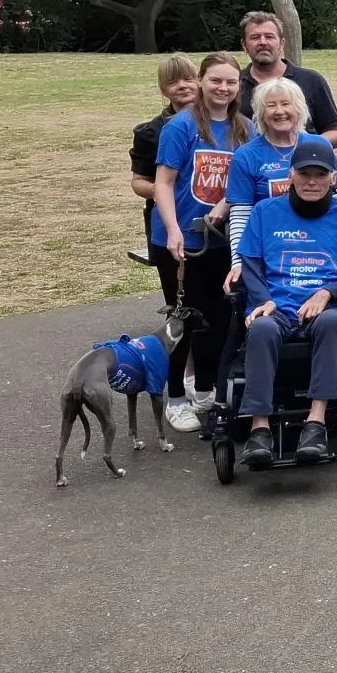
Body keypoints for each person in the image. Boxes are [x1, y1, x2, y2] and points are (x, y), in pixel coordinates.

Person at [236, 136, 337, 468]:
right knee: (261, 329)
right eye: (304, 174)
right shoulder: (265, 211)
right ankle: (260, 428)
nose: (312, 182)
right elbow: (250, 265)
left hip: (330, 307)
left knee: (330, 324)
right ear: (291, 176)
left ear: (333, 178)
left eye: (320, 175)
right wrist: (264, 300)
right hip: (277, 304)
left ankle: (316, 422)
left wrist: (328, 293)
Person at [152, 52, 248, 433]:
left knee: (219, 318)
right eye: (215, 81)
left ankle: (206, 388)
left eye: (230, 82)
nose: (223, 88)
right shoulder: (180, 126)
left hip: (223, 242)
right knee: (184, 320)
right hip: (180, 243)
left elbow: (247, 177)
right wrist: (173, 229)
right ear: (202, 81)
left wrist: (225, 204)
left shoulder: (245, 128)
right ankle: (174, 396)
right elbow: (164, 182)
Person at [227, 78, 321, 263]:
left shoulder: (319, 145)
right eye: (271, 105)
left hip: (317, 246)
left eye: (286, 104)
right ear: (261, 113)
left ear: (299, 108)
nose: (279, 111)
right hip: (268, 249)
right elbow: (240, 215)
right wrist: (238, 262)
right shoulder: (246, 155)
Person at [130, 53, 199, 263]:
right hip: (170, 225)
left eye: (188, 79)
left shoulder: (223, 123)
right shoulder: (151, 132)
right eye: (173, 82)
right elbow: (138, 182)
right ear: (163, 89)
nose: (182, 86)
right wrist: (162, 190)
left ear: (200, 81)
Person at [235, 10, 337, 136]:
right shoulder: (233, 84)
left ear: (281, 43)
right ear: (244, 45)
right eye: (255, 37)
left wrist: (307, 147)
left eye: (269, 36)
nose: (263, 42)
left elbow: (334, 132)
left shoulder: (312, 80)